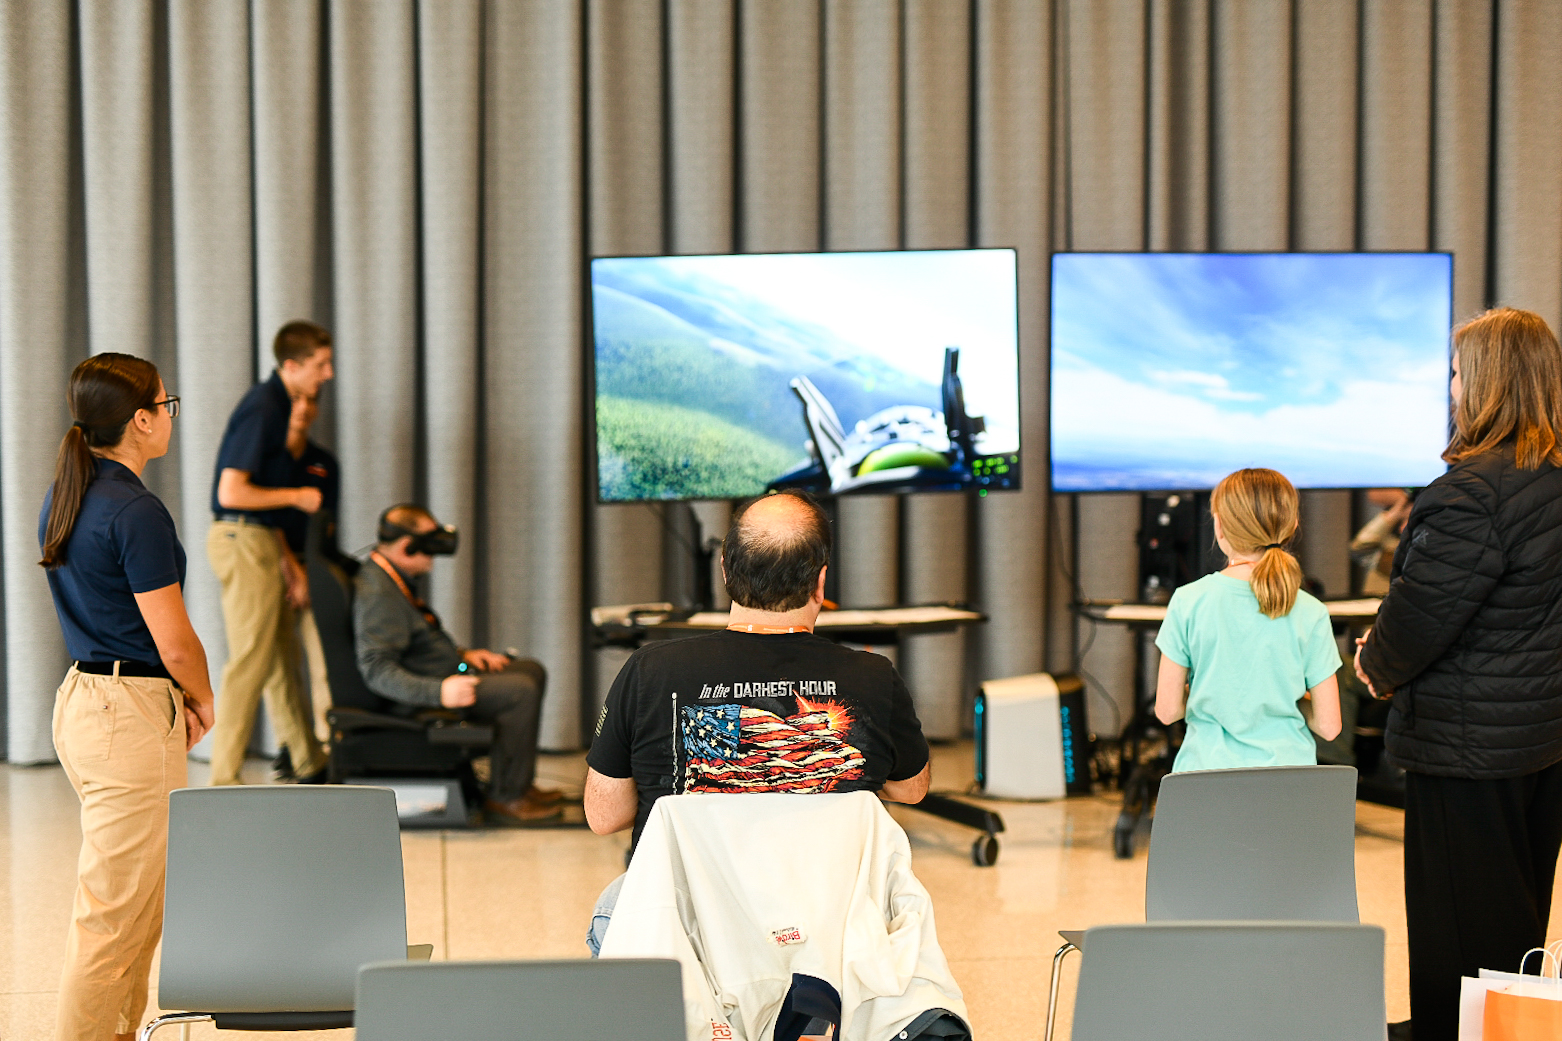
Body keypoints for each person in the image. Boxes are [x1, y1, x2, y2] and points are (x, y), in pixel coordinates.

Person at [583, 489, 932, 954]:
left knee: (616, 904)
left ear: (725, 570)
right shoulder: (872, 676)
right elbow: (911, 788)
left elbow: (604, 815)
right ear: (821, 582)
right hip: (828, 929)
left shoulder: (650, 670)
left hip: (688, 929)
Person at [1355, 307, 1562, 1041]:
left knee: (1457, 929)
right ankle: (1503, 1029)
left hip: (1465, 747)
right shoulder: (1550, 477)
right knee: (1515, 917)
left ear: (1486, 383)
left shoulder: (1472, 491)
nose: (1449, 386)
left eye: (1454, 371)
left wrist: (1370, 666)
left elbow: (1419, 616)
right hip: (1540, 740)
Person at [38, 354, 216, 1041]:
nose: (170, 416)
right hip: (128, 715)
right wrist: (202, 699)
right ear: (141, 420)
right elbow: (173, 641)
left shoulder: (69, 489)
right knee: (113, 916)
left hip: (88, 700)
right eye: (167, 405)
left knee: (137, 907)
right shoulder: (134, 508)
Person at [354, 504, 557, 824]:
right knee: (520, 690)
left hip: (441, 673)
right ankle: (506, 797)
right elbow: (377, 670)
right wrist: (439, 693)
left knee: (530, 670)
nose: (435, 557)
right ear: (408, 547)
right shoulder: (379, 592)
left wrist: (463, 656)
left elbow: (417, 639)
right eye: (430, 547)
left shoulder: (393, 577)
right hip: (420, 695)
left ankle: (518, 783)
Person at [206, 321, 333, 785]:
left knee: (281, 656)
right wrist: (297, 496)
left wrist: (288, 561)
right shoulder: (264, 407)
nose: (329, 373)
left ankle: (308, 761)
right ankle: (223, 778)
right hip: (242, 538)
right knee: (250, 660)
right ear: (292, 365)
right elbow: (232, 491)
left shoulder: (278, 406)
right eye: (321, 364)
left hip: (259, 540)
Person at [1154, 467, 1343, 771]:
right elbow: (1330, 726)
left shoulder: (1188, 601)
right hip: (1287, 784)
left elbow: (1166, 711)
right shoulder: (1311, 611)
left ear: (1219, 527)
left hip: (1203, 781)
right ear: (1292, 526)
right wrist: (1284, 701)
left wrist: (1212, 697)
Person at [274, 393, 340, 745]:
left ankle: (328, 744)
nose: (303, 409)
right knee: (279, 667)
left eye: (312, 401)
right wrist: (290, 569)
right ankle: (292, 746)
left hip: (311, 567)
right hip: (273, 566)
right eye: (295, 400)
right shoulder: (267, 460)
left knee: (324, 662)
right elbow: (264, 522)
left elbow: (325, 524)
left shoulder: (323, 463)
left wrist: (309, 574)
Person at [1350, 488, 1413, 596]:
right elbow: (1359, 548)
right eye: (1402, 521)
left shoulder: (1408, 561)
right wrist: (1398, 509)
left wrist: (1397, 511)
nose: (1402, 528)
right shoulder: (1391, 555)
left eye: (1410, 521)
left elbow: (1360, 548)